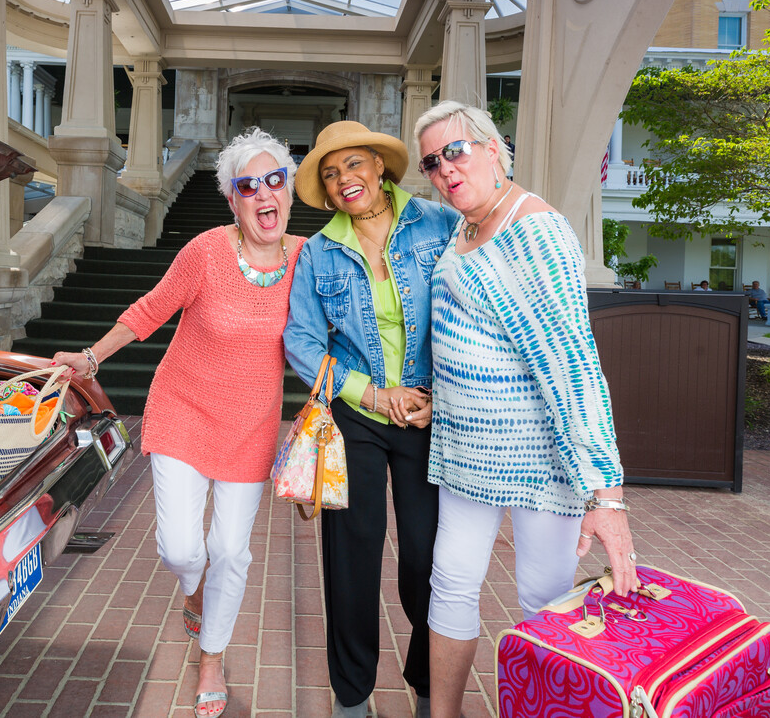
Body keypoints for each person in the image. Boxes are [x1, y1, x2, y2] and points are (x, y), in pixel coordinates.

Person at [53, 128, 304, 718]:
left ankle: (211, 657)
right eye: (249, 186)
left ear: (289, 191)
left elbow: (327, 332)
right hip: (184, 410)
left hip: (250, 426)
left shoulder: (306, 259)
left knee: (233, 551)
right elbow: (151, 308)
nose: (265, 194)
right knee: (182, 547)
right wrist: (91, 359)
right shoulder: (206, 252)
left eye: (276, 180)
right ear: (234, 201)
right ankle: (194, 593)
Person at [412, 101, 639, 718]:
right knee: (452, 584)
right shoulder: (466, 227)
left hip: (538, 457)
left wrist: (607, 496)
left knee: (544, 599)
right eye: (432, 162)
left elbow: (573, 366)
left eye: (456, 151)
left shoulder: (533, 229)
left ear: (492, 147)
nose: (445, 169)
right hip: (465, 454)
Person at [284, 120, 458, 718]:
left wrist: (443, 393)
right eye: (331, 175)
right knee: (351, 558)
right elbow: (302, 342)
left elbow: (473, 312)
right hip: (355, 414)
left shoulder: (440, 225)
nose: (343, 181)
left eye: (353, 165)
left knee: (427, 558)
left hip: (432, 413)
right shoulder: (318, 250)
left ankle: (428, 681)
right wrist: (371, 393)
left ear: (379, 167)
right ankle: (352, 697)